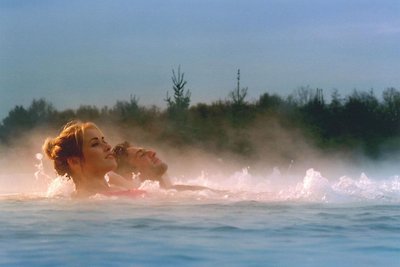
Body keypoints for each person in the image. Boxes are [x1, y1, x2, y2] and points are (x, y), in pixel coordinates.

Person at [43, 121, 119, 198]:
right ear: (74, 162)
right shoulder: (86, 201)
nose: (108, 146)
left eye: (104, 141)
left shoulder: (117, 189)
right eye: (95, 144)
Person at [109, 141, 209, 191]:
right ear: (131, 174)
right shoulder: (147, 200)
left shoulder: (176, 190)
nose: (152, 153)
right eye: (142, 154)